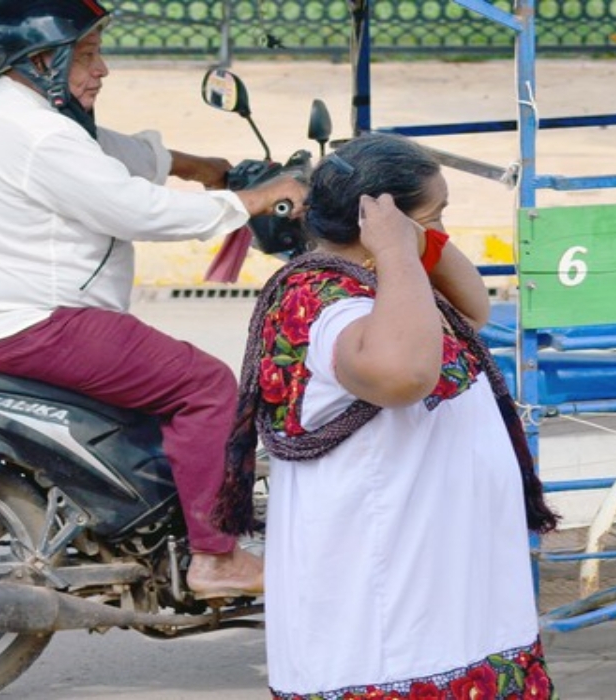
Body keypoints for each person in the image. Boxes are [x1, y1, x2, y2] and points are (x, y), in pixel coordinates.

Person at [0, 0, 306, 601]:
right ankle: (216, 558)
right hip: (34, 320)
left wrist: (199, 166)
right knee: (204, 386)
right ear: (42, 60)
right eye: (86, 55)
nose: (101, 70)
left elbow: (99, 150)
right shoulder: (40, 134)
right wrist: (255, 201)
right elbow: (135, 208)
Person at [216, 132, 560, 698]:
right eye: (434, 217)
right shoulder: (321, 299)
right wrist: (400, 247)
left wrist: (411, 241)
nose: (441, 234)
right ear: (385, 223)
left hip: (442, 592)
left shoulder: (391, 285)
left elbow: (474, 309)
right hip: (386, 616)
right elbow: (403, 375)